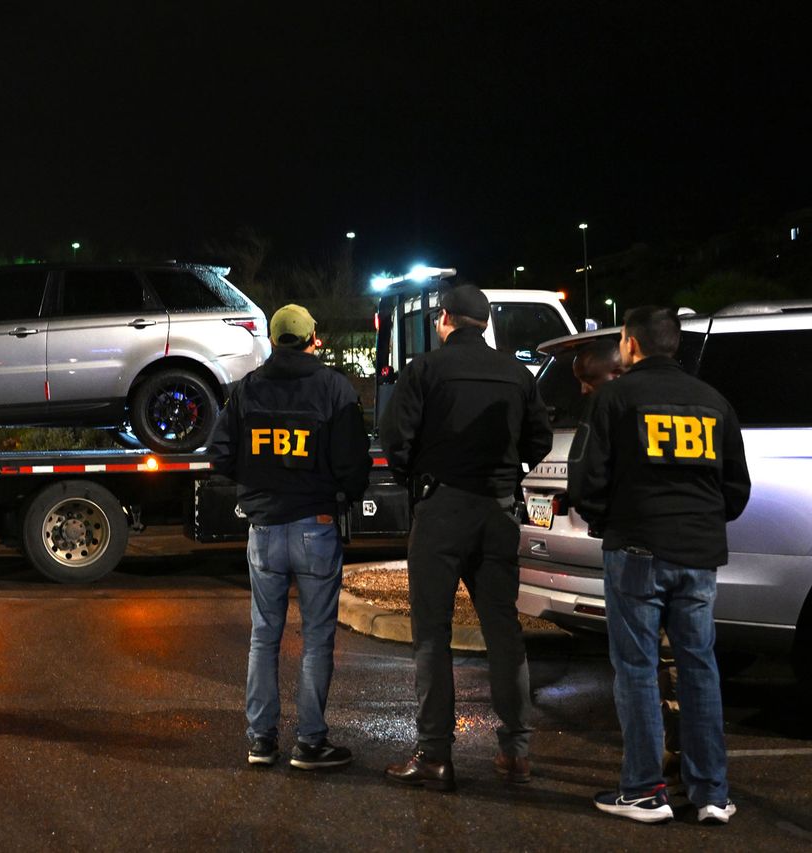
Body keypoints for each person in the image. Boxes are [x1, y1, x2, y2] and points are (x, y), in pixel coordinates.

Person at [569, 306, 749, 825]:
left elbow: (585, 484)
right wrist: (701, 520)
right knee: (700, 668)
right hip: (699, 555)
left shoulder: (614, 399)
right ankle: (712, 792)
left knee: (637, 670)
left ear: (629, 344)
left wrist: (611, 522)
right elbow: (736, 489)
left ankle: (645, 791)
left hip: (637, 552)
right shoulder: (715, 403)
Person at [379, 284, 553, 792]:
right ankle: (516, 752)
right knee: (503, 630)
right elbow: (538, 439)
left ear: (445, 319)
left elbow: (396, 439)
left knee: (432, 634)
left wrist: (419, 474)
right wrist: (506, 471)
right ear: (485, 323)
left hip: (442, 508)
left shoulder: (426, 370)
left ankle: (435, 756)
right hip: (498, 509)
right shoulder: (517, 374)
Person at [209, 303, 372, 770]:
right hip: (316, 528)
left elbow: (220, 455)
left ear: (275, 339)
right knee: (317, 638)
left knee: (264, 637)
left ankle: (261, 741)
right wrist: (336, 491)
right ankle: (310, 743)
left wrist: (258, 482)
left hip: (263, 529)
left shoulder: (247, 390)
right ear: (311, 338)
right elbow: (352, 464)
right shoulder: (334, 388)